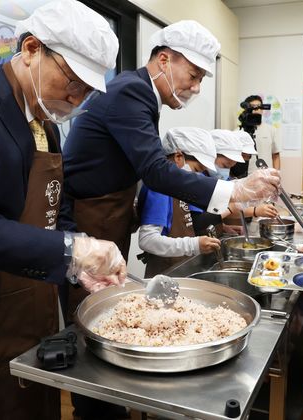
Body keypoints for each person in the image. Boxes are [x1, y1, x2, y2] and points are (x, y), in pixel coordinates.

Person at [60, 20, 280, 419]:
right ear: (164, 59)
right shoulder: (131, 91)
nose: (196, 88)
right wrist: (233, 190)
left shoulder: (143, 97)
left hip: (105, 221)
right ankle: (95, 410)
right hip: (83, 225)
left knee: (105, 316)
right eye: (193, 76)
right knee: (90, 332)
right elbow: (157, 171)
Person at [0, 1, 126, 419]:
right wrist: (68, 249)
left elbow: (52, 208)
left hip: (29, 304)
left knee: (35, 400)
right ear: (31, 48)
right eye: (71, 81)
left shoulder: (46, 125)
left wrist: (78, 257)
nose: (76, 98)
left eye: (86, 90)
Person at [138, 127, 221, 277]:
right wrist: (193, 245)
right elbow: (147, 240)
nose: (198, 176)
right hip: (164, 270)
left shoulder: (180, 187)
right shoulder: (158, 188)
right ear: (178, 157)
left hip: (182, 265)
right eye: (197, 169)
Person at [241, 95, 282, 173]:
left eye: (259, 107)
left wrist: (276, 174)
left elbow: (276, 155)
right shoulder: (240, 131)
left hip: (266, 176)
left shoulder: (271, 130)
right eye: (253, 107)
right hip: (246, 177)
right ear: (247, 110)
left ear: (263, 110)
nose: (257, 110)